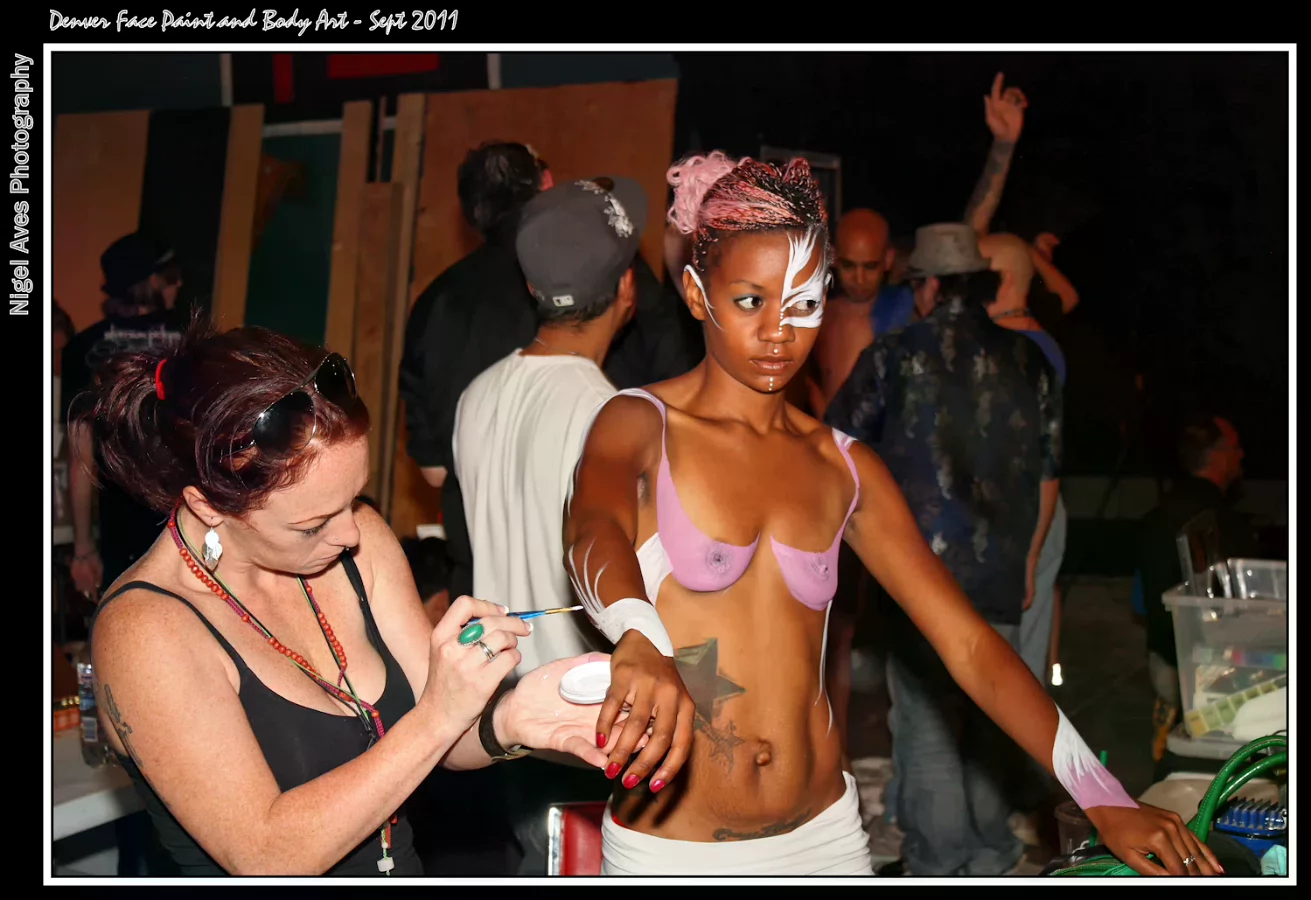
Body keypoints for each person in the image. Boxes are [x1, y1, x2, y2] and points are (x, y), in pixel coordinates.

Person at [563, 153, 1219, 877]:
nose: (779, 330)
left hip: (826, 840)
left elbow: (969, 645)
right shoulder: (639, 423)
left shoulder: (844, 466)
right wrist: (637, 632)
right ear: (696, 294)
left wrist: (1103, 796)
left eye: (803, 303)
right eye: (751, 301)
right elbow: (591, 529)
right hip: (671, 848)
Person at [78, 318, 621, 876]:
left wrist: (510, 718)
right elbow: (266, 856)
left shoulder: (359, 542)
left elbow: (443, 739)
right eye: (312, 525)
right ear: (207, 506)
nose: (350, 533)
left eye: (354, 498)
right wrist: (438, 715)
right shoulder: (145, 631)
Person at [454, 174, 648, 873]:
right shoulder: (613, 419)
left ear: (533, 288)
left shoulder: (476, 394)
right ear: (626, 289)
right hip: (589, 720)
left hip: (507, 712)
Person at [63, 232, 188, 604]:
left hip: (120, 530)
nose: (179, 284)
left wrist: (83, 548)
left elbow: (80, 458)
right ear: (150, 282)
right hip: (192, 520)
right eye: (170, 275)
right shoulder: (195, 341)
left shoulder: (83, 348)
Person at [1136, 414, 1256, 763]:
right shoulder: (1226, 524)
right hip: (1212, 673)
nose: (1242, 455)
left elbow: (1140, 601)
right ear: (1216, 456)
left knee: (1173, 758)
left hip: (1165, 663)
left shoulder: (1156, 516)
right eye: (1235, 447)